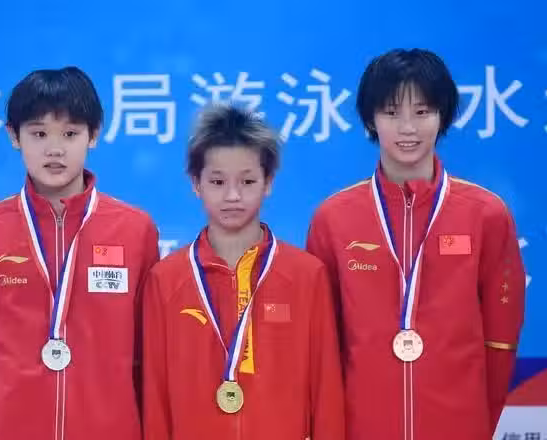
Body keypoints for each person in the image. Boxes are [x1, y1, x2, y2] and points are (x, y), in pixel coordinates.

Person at [306, 48, 525, 440]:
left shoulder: (486, 215)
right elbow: (322, 346)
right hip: (362, 428)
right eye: (392, 113)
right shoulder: (333, 219)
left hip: (458, 426)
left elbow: (500, 341)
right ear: (370, 119)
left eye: (422, 112)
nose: (408, 128)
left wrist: (473, 424)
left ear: (442, 116)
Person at [0, 66, 159, 440]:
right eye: (39, 133)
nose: (54, 149)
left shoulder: (134, 230)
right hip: (11, 426)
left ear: (94, 134)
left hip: (109, 428)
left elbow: (145, 351)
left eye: (70, 133)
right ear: (14, 136)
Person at [142, 104, 345, 439]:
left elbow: (326, 393)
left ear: (268, 182)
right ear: (196, 183)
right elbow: (155, 398)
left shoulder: (307, 276)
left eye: (248, 181)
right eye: (218, 181)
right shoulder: (166, 280)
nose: (233, 195)